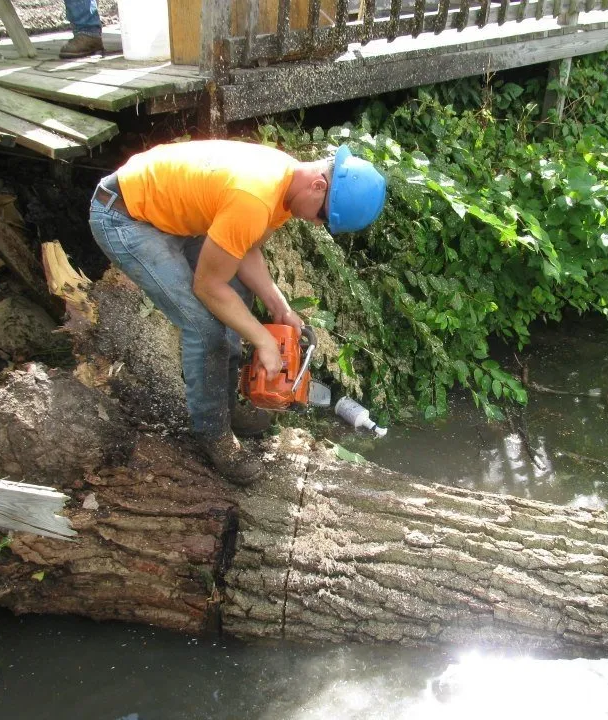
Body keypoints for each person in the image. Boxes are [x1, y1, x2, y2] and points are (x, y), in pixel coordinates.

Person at [88, 140, 387, 486]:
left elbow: (245, 250)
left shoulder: (286, 183)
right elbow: (208, 287)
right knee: (205, 328)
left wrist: (281, 309)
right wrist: (261, 339)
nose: (318, 224)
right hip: (124, 215)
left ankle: (225, 403)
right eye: (323, 216)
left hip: (170, 212)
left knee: (239, 293)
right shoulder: (256, 195)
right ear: (319, 185)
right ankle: (213, 435)